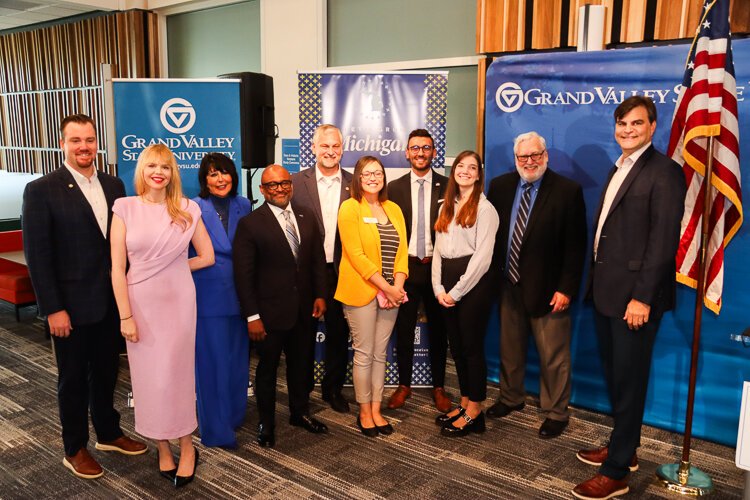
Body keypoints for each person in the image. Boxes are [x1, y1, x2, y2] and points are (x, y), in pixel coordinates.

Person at [572, 96, 686, 500]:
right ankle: (626, 447)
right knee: (618, 378)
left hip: (634, 302)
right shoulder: (619, 166)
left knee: (630, 380)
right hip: (607, 294)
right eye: (622, 124)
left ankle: (617, 470)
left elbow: (662, 242)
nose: (627, 130)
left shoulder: (666, 172)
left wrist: (642, 298)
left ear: (653, 126)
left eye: (636, 124)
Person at [22, 113, 147, 480]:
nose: (84, 147)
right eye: (75, 140)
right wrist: (53, 309)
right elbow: (38, 255)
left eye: (89, 140)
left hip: (112, 303)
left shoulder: (114, 185)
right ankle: (74, 447)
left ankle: (108, 433)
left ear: (97, 143)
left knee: (108, 372)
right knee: (73, 379)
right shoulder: (42, 189)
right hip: (71, 309)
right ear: (63, 144)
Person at [110, 144, 215, 488]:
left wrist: (170, 268)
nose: (159, 172)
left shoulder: (187, 209)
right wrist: (125, 315)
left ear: (173, 173)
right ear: (142, 170)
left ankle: (187, 446)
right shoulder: (125, 208)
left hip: (178, 302)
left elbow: (207, 256)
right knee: (149, 380)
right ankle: (162, 447)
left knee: (177, 376)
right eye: (152, 165)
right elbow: (116, 269)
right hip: (139, 305)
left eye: (166, 167)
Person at [486, 131, 587, 439]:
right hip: (508, 284)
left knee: (554, 357)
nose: (529, 162)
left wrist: (566, 289)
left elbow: (576, 246)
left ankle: (557, 412)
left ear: (546, 156)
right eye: (522, 157)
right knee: (510, 349)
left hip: (549, 289)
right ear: (515, 159)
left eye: (535, 155)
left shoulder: (567, 191)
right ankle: (511, 397)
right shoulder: (500, 187)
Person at [233, 164, 328, 448]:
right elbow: (244, 276)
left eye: (284, 183)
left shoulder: (306, 216)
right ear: (262, 190)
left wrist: (321, 295)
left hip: (303, 311)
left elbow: (316, 262)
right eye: (272, 185)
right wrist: (252, 316)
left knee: (301, 367)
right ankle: (267, 423)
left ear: (292, 185)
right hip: (269, 315)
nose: (280, 189)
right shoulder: (250, 224)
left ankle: (300, 413)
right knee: (268, 370)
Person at [335, 156, 408, 437]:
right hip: (362, 292)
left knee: (380, 354)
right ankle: (364, 411)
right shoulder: (350, 207)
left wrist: (397, 286)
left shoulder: (394, 209)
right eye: (367, 173)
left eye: (378, 173)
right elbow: (356, 255)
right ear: (358, 177)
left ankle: (377, 409)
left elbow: (402, 251)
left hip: (392, 293)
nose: (373, 177)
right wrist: (386, 287)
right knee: (364, 355)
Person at [432, 150, 499, 438]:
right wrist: (438, 287)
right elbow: (438, 251)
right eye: (461, 166)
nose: (466, 171)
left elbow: (482, 259)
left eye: (473, 168)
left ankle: (475, 412)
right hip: (447, 282)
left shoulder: (486, 209)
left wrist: (456, 291)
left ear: (479, 174)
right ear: (454, 170)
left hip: (473, 285)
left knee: (471, 349)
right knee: (456, 348)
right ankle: (463, 402)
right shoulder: (446, 206)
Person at [387, 129, 451, 413]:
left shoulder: (449, 186)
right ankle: (404, 385)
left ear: (434, 152)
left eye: (426, 148)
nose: (420, 153)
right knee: (404, 330)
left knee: (439, 331)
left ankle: (438, 386)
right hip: (407, 269)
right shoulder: (394, 187)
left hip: (438, 270)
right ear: (407, 152)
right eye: (415, 148)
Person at [291, 124, 353, 413]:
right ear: (313, 148)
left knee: (339, 335)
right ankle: (301, 391)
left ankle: (333, 390)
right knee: (303, 333)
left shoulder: (356, 184)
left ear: (342, 148)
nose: (330, 151)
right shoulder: (294, 183)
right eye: (324, 146)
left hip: (343, 272)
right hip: (305, 273)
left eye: (336, 146)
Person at [191, 153, 252, 448]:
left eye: (225, 173)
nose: (220, 179)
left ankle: (233, 416)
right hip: (208, 298)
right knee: (211, 364)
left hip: (241, 297)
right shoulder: (192, 208)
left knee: (237, 362)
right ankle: (216, 431)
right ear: (204, 180)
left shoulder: (244, 205)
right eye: (213, 174)